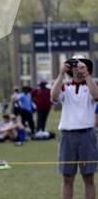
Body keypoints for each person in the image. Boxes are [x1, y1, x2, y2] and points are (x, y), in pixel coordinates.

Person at [51, 55, 98, 199]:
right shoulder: (65, 86)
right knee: (67, 178)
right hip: (67, 135)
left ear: (88, 67)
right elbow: (53, 96)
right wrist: (60, 73)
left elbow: (96, 96)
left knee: (89, 178)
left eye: (81, 64)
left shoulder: (91, 85)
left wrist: (86, 74)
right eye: (75, 64)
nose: (78, 66)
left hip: (87, 135)